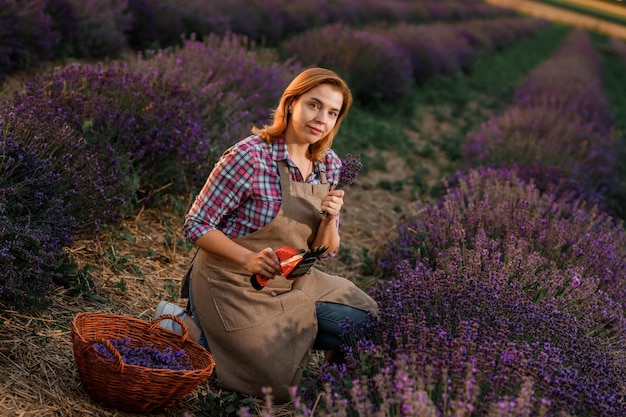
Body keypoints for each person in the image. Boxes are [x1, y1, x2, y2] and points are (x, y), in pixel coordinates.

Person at [154, 67, 378, 403]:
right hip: (232, 281)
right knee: (276, 387)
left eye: (332, 112)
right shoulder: (249, 156)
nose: (321, 119)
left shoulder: (329, 164)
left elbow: (325, 251)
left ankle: (331, 392)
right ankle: (188, 332)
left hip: (293, 277)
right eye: (314, 105)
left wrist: (330, 219)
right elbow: (197, 224)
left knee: (367, 318)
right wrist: (248, 258)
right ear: (291, 104)